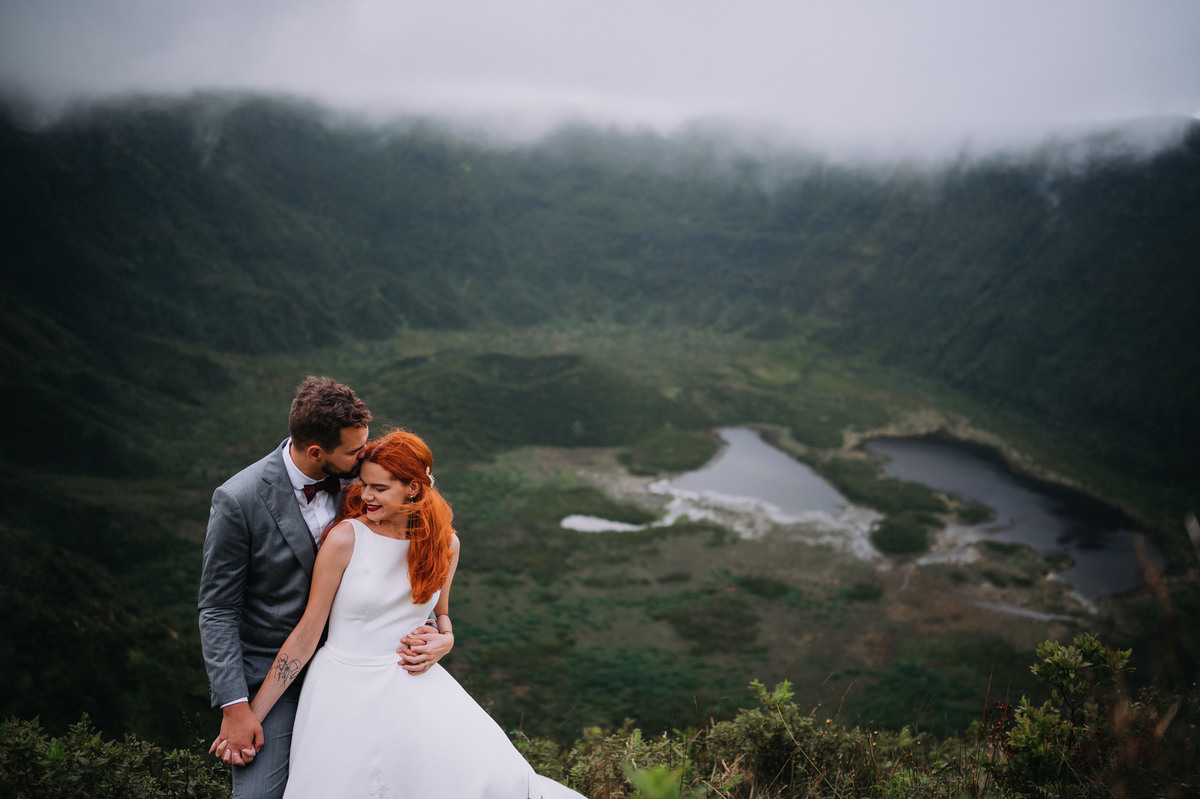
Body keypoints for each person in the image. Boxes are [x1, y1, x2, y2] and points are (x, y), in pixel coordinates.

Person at [238, 430, 586, 799]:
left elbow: (442, 613)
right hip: (341, 692)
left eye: (380, 488)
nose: (366, 495)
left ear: (414, 489)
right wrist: (250, 715)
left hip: (413, 687)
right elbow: (307, 634)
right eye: (365, 484)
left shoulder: (445, 544)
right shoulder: (346, 538)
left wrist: (446, 640)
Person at [199, 377, 455, 799]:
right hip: (273, 675)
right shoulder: (238, 500)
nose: (366, 456)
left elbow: (403, 570)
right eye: (356, 450)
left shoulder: (367, 487)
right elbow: (218, 609)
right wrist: (236, 707)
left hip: (367, 672)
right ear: (317, 452)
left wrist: (439, 633)